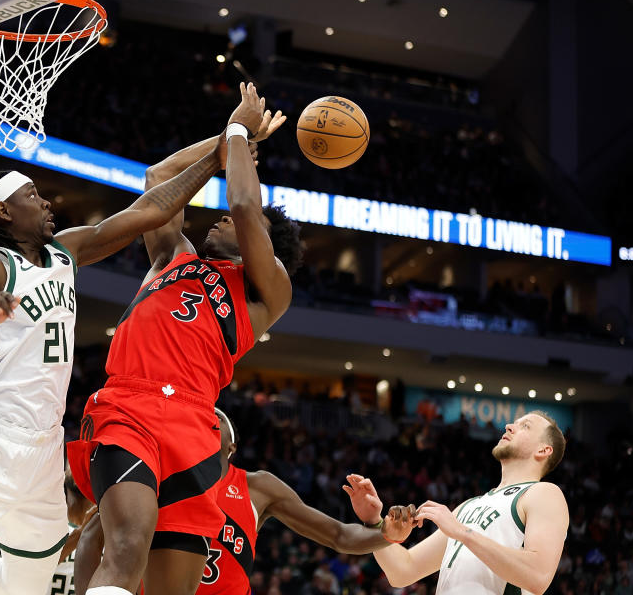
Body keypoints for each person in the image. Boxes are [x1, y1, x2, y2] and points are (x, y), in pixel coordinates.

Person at [0, 104, 246, 595]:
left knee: (33, 586)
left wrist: (220, 153)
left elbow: (151, 210)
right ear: (3, 212)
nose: (46, 203)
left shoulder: (66, 251)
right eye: (32, 196)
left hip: (45, 452)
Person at [67, 83, 302, 595]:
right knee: (126, 546)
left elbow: (242, 204)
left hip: (195, 426)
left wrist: (240, 133)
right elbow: (159, 178)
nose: (218, 217)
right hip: (127, 406)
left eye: (241, 225)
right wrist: (222, 141)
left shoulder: (269, 289)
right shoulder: (173, 256)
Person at [195, 408, 415, 594]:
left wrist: (386, 533)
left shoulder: (258, 487)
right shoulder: (164, 478)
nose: (209, 414)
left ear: (231, 447)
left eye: (219, 416)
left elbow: (340, 535)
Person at [348, 411, 569, 594]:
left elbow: (538, 576)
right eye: (513, 423)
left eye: (525, 426)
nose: (509, 426)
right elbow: (403, 571)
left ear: (543, 450)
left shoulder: (544, 493)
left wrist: (462, 532)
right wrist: (374, 522)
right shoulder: (468, 506)